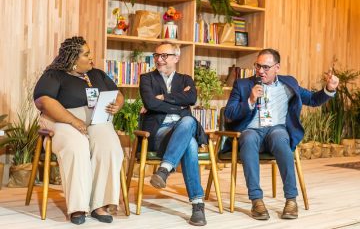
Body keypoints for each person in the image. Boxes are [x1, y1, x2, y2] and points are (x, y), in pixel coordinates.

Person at [223, 48, 339, 220]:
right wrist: (250, 100)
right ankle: (257, 200)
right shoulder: (243, 84)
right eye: (257, 66)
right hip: (251, 130)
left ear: (277, 67)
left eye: (266, 67)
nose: (260, 71)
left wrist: (329, 89)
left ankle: (291, 200)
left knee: (280, 137)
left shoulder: (289, 83)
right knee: (247, 137)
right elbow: (230, 113)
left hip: (275, 129)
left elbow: (313, 100)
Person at [33, 36, 124, 225]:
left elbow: (118, 94)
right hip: (62, 120)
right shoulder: (54, 75)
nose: (92, 58)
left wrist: (117, 105)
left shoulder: (97, 74)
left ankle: (100, 204)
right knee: (77, 145)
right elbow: (44, 101)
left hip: (97, 120)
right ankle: (78, 207)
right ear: (74, 59)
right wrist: (73, 120)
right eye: (87, 54)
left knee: (110, 146)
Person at [139, 42, 207, 226]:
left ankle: (164, 169)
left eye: (164, 56)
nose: (159, 59)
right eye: (156, 55)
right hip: (160, 132)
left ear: (176, 58)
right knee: (189, 136)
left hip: (182, 128)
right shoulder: (147, 78)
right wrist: (179, 102)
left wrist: (164, 98)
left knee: (188, 127)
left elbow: (191, 98)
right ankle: (197, 204)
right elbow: (151, 104)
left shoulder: (186, 79)